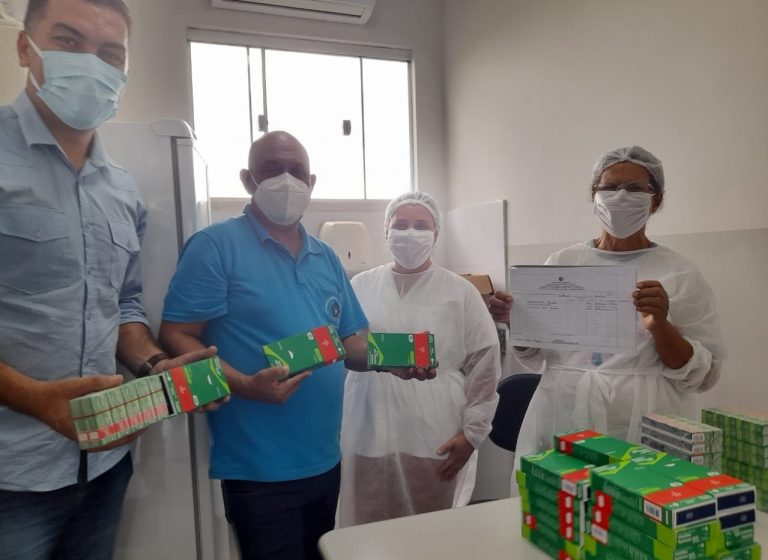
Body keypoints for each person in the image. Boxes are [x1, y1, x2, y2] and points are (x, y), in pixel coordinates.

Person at [0, 1, 216, 559]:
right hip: (10, 473)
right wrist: (35, 399)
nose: (90, 63)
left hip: (105, 463)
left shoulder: (121, 190)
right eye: (69, 41)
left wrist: (155, 365)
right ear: (26, 47)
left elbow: (122, 306)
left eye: (110, 53)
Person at [159, 131, 377, 560]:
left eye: (296, 171)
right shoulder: (215, 246)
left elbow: (350, 341)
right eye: (272, 169)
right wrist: (244, 384)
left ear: (311, 182)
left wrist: (396, 361)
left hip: (325, 459)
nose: (286, 180)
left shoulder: (326, 257)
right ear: (248, 179)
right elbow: (176, 334)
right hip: (259, 470)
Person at [489, 146, 727, 459]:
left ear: (655, 200)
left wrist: (660, 325)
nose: (621, 196)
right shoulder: (562, 263)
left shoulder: (679, 273)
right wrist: (515, 320)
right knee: (562, 488)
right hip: (565, 411)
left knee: (641, 488)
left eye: (635, 188)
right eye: (610, 186)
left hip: (647, 418)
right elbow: (535, 353)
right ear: (594, 195)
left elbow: (702, 376)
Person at [338, 191, 502, 527]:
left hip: (432, 430)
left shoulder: (460, 290)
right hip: (368, 425)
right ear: (386, 232)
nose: (410, 233)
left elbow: (484, 364)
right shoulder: (361, 285)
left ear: (436, 233)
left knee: (428, 530)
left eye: (421, 225)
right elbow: (344, 346)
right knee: (366, 529)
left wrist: (472, 434)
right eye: (400, 225)